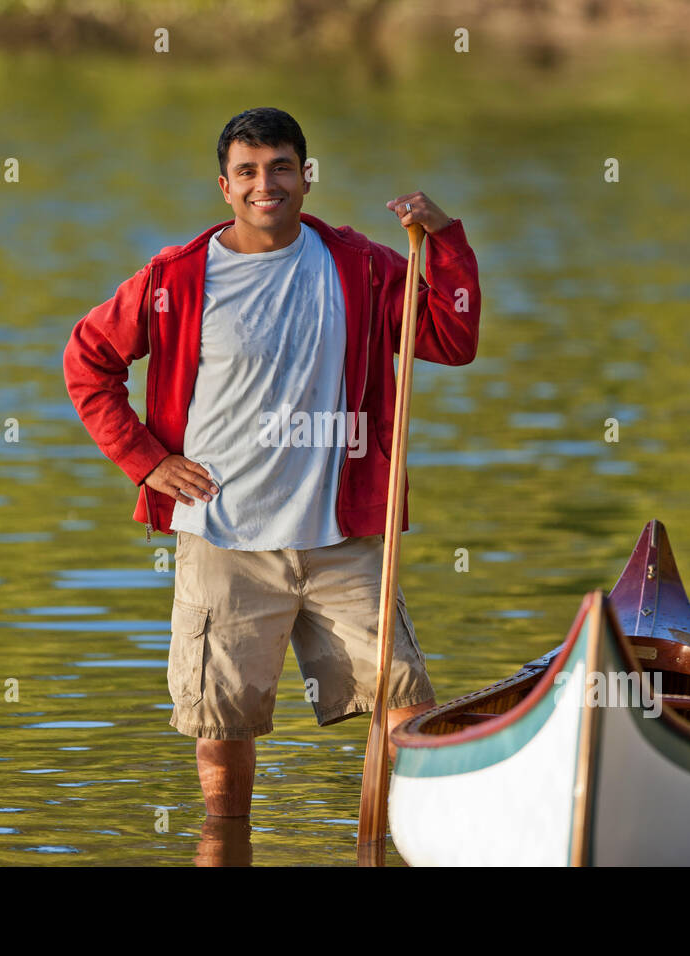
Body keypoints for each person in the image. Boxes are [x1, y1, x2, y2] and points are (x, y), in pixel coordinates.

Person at [63, 107, 481, 818]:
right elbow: (87, 359)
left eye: (282, 167)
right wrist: (147, 460)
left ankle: (416, 837)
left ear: (306, 177)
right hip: (224, 539)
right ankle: (226, 848)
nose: (267, 184)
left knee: (406, 709)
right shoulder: (178, 278)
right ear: (223, 185)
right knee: (221, 731)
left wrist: (442, 240)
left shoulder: (361, 267)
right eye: (249, 172)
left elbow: (450, 334)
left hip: (341, 540)